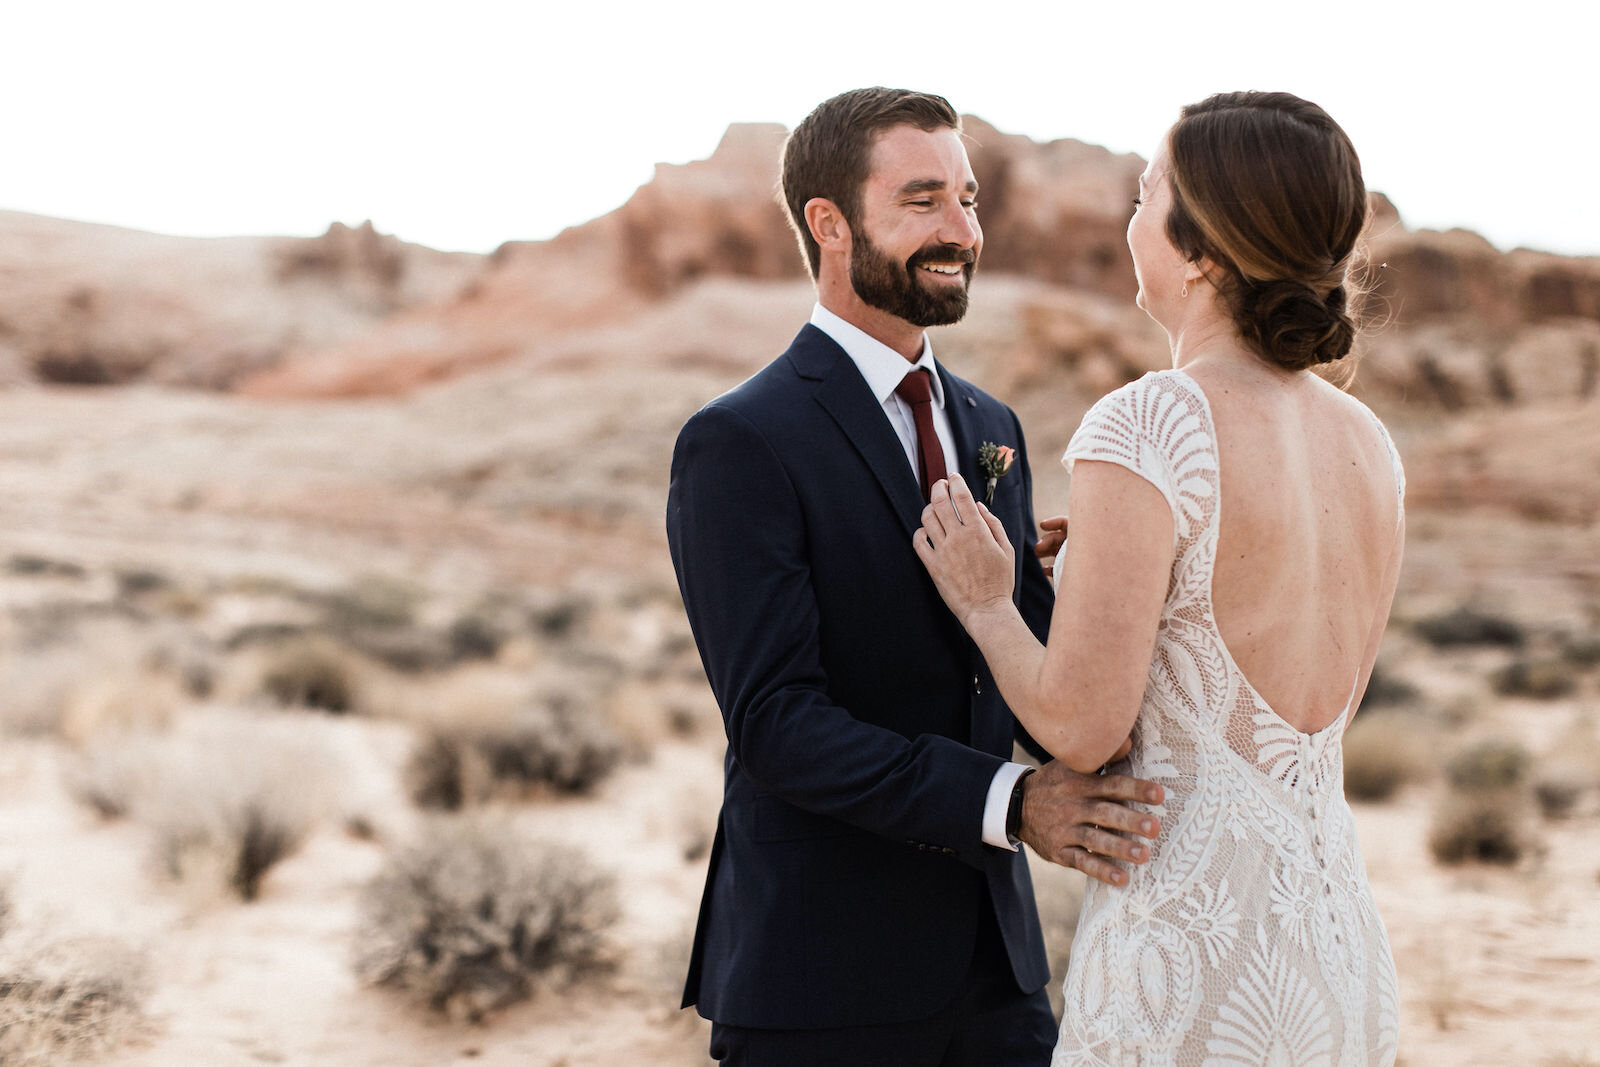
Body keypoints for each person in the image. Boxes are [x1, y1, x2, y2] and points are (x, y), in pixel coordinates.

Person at [666, 87, 1165, 1067]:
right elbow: (775, 722)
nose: (962, 231)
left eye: (970, 200)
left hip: (998, 973)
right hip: (819, 976)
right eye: (924, 201)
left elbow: (1027, 670)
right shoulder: (740, 441)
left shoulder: (993, 429)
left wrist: (1109, 571)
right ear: (829, 223)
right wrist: (1012, 803)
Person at [916, 91, 1404, 1065]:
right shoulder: (1369, 442)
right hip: (1340, 954)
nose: (1125, 219)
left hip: (1193, 962)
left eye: (1145, 194)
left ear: (1199, 251)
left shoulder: (1149, 421)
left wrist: (986, 599)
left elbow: (1082, 726)